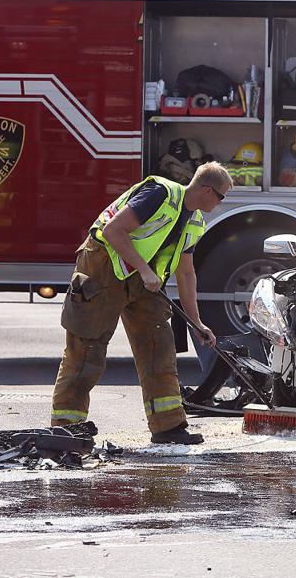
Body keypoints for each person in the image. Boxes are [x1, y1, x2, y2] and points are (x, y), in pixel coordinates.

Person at [50, 162, 232, 444]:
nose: (221, 203)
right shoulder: (160, 194)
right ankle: (65, 429)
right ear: (207, 190)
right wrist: (145, 271)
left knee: (158, 343)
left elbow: (186, 273)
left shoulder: (194, 222)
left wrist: (196, 322)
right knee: (87, 348)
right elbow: (113, 231)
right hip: (103, 265)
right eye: (221, 196)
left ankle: (168, 426)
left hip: (141, 276)